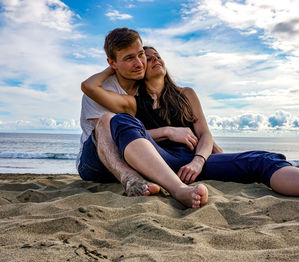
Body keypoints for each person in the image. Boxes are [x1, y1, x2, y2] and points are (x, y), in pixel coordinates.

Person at [81, 46, 299, 208]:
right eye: (147, 57)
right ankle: (177, 190)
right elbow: (101, 106)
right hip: (159, 161)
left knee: (259, 159)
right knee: (119, 121)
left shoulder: (186, 94)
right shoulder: (131, 101)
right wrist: (167, 131)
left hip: (193, 161)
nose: (154, 60)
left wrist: (201, 160)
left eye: (157, 56)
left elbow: (205, 135)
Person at [77, 27, 222, 197]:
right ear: (112, 63)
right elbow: (110, 137)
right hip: (98, 162)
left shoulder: (147, 89)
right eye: (129, 58)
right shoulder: (101, 91)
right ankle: (130, 179)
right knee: (108, 120)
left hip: (135, 159)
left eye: (140, 55)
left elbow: (195, 129)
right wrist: (167, 132)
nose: (139, 63)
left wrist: (218, 157)